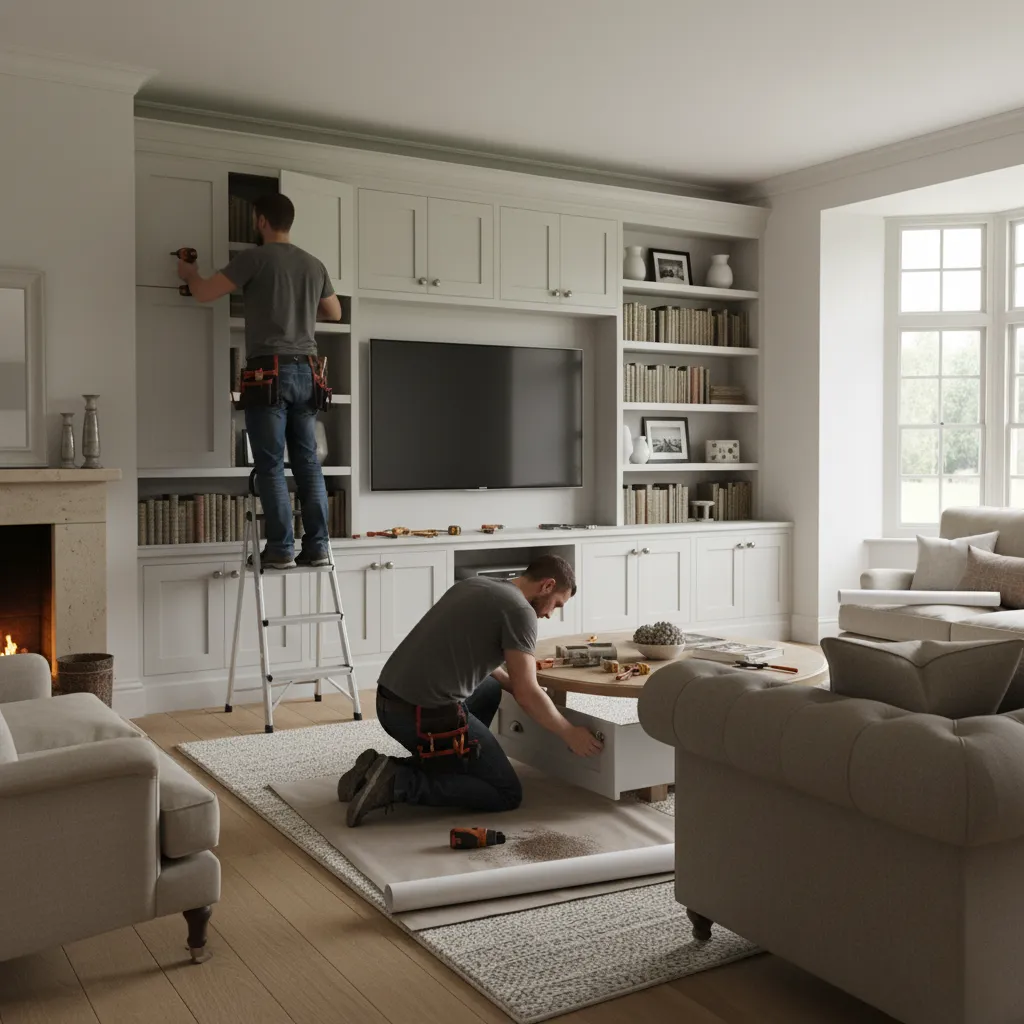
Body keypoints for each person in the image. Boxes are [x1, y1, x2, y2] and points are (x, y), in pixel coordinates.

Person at [339, 554, 603, 827]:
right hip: (420, 716)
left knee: (489, 688)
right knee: (505, 792)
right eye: (556, 604)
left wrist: (510, 682)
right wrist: (569, 732)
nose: (549, 614)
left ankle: (376, 768)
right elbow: (527, 694)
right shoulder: (520, 611)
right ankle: (399, 782)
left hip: (389, 702)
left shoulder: (476, 585)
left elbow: (474, 651)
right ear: (547, 585)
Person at [177, 194, 341, 569]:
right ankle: (317, 547)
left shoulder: (254, 258)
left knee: (270, 465)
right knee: (308, 463)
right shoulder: (313, 264)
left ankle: (281, 549)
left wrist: (189, 274)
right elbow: (334, 311)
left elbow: (204, 293)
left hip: (268, 372)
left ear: (261, 220)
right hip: (308, 372)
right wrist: (299, 306)